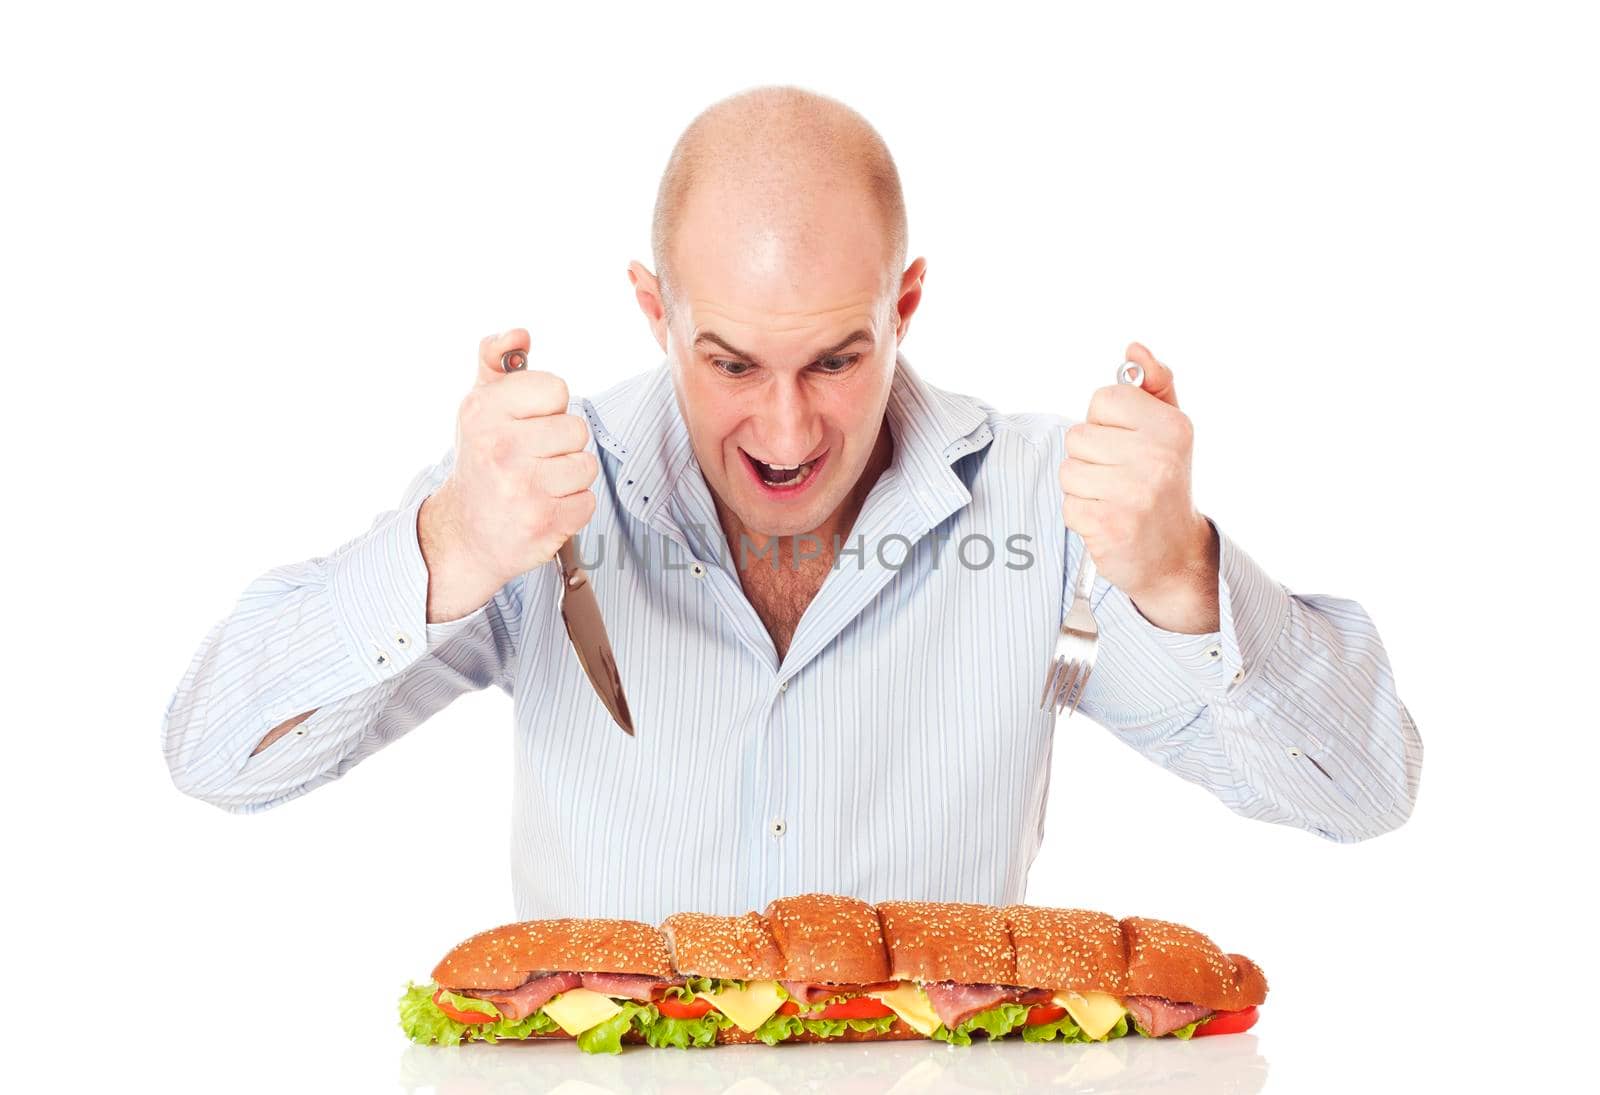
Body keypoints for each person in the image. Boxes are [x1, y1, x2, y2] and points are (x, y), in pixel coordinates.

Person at [162, 86, 1422, 924]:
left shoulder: (1045, 508)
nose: (784, 430)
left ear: (903, 306)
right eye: (729, 364)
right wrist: (446, 549)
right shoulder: (538, 490)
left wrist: (1179, 578)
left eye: (834, 359)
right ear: (657, 313)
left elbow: (1361, 798)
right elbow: (215, 763)